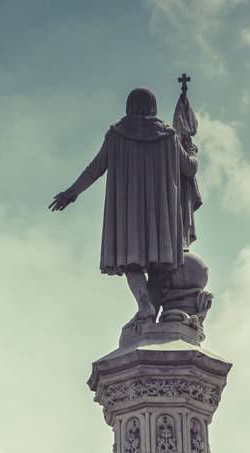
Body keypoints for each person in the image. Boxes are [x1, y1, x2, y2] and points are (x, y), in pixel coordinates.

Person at [50, 86, 201, 329]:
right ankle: (147, 311)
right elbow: (190, 169)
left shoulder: (116, 135)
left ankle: (145, 307)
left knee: (132, 264)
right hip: (161, 216)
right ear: (153, 107)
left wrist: (72, 192)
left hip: (129, 215)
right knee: (160, 268)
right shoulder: (170, 136)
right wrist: (191, 149)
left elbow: (95, 168)